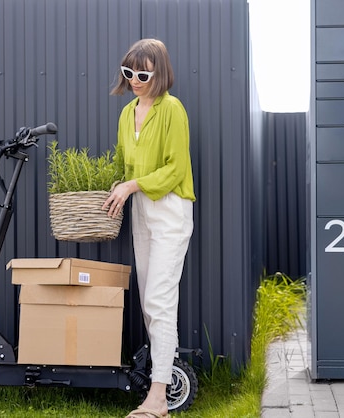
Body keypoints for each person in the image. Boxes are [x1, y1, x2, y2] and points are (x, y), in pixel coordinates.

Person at [103, 38, 195, 418]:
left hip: (169, 207)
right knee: (150, 303)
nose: (135, 80)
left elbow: (175, 168)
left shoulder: (173, 109)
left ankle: (158, 398)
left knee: (159, 299)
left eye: (143, 73)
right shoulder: (127, 114)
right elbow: (126, 166)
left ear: (159, 73)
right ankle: (161, 382)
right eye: (129, 73)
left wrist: (132, 185)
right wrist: (118, 187)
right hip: (141, 208)